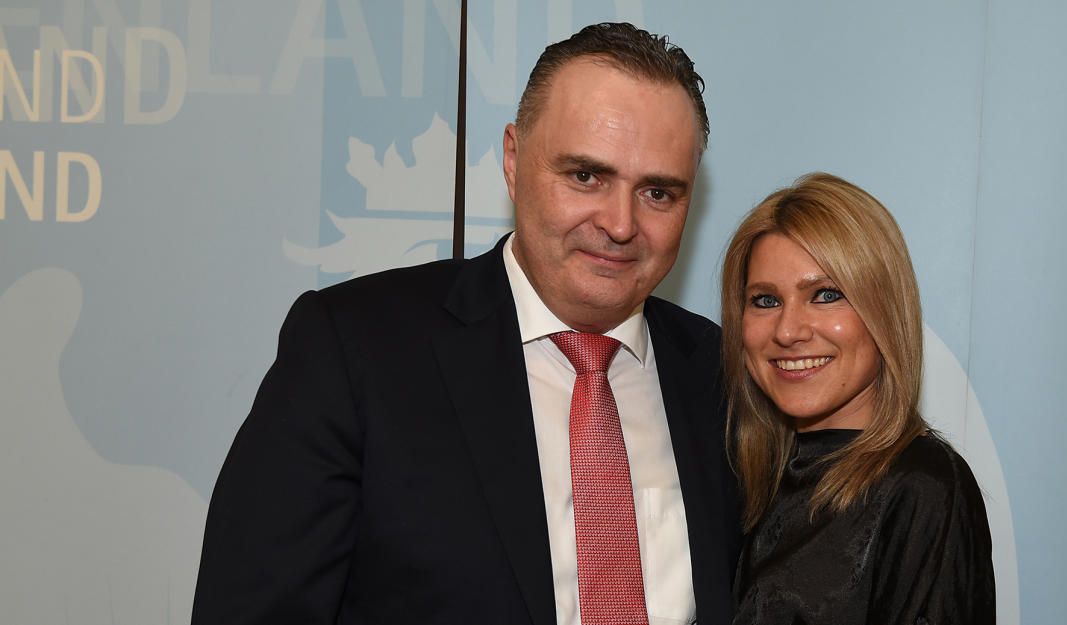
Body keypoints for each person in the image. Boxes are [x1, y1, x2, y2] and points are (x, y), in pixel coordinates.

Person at [192, 23, 738, 625]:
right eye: (586, 176)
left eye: (658, 193)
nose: (620, 223)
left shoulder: (723, 377)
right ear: (513, 160)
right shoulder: (354, 351)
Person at [721, 173, 995, 624]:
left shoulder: (921, 487)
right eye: (766, 300)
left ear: (884, 311)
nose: (788, 331)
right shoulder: (745, 478)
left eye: (825, 295)